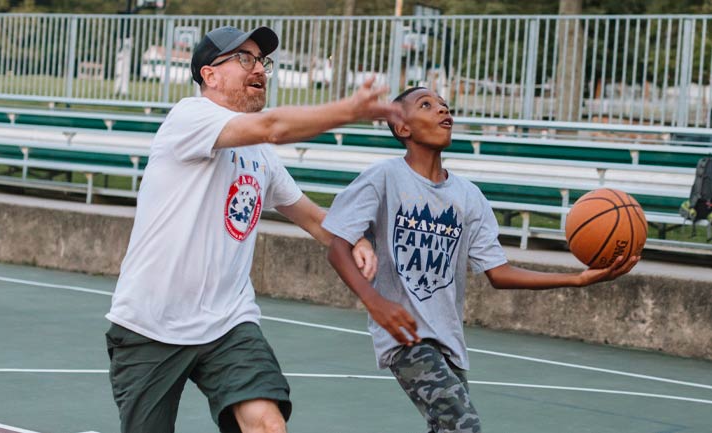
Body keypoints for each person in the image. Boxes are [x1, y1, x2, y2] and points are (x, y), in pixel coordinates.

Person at [105, 25, 400, 433]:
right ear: (210, 75)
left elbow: (313, 218)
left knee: (267, 425)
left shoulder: (259, 155)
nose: (258, 68)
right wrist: (348, 110)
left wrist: (354, 240)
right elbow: (274, 126)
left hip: (228, 323)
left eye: (262, 61)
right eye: (244, 59)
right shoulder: (189, 117)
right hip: (151, 323)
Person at [322, 87, 639, 433]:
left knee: (447, 427)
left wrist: (578, 279)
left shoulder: (469, 197)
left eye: (444, 105)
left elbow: (499, 273)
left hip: (448, 340)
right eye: (426, 105)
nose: (443, 111)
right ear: (402, 128)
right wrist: (375, 303)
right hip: (405, 338)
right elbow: (338, 247)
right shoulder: (385, 178)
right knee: (463, 425)